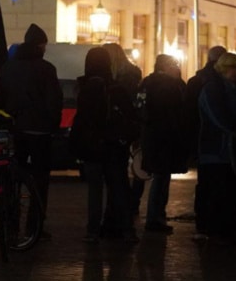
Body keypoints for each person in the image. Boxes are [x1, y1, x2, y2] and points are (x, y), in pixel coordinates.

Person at [0, 23, 63, 236]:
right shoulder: (46, 69)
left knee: (12, 177)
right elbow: (54, 101)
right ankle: (34, 226)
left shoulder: (8, 68)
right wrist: (53, 125)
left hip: (15, 130)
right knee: (40, 180)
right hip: (40, 131)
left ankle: (10, 221)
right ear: (40, 46)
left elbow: (0, 98)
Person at [70, 47, 139, 243]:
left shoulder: (84, 89)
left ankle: (92, 230)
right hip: (113, 147)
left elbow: (82, 120)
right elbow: (130, 116)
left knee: (95, 190)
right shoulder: (116, 89)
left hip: (92, 147)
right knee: (118, 188)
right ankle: (126, 229)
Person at [197, 52, 236, 245]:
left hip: (233, 149)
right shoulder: (213, 88)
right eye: (232, 67)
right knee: (217, 190)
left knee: (232, 191)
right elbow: (217, 116)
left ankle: (228, 229)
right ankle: (216, 231)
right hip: (216, 148)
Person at [135, 54, 187, 233]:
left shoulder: (146, 83)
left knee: (157, 176)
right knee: (161, 178)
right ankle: (155, 218)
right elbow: (175, 112)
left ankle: (153, 215)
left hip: (150, 135)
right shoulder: (169, 85)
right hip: (165, 138)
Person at [184, 45, 226, 239]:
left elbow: (188, 113)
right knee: (216, 183)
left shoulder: (196, 81)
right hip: (213, 139)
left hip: (201, 139)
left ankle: (203, 223)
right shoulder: (216, 84)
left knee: (205, 183)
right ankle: (212, 223)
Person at [101, 43, 143, 219]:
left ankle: (123, 209)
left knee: (119, 173)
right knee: (126, 170)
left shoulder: (119, 80)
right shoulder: (132, 75)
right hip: (128, 129)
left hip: (119, 130)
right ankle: (126, 206)